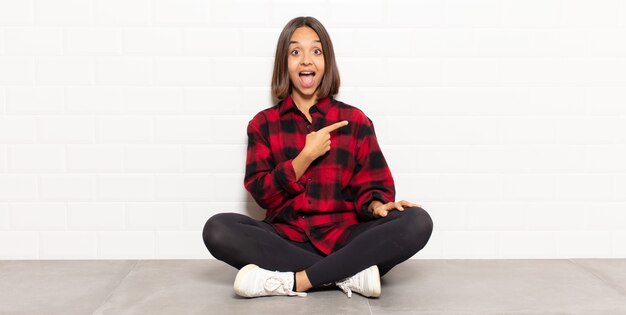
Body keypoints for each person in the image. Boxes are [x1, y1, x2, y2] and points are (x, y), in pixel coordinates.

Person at [202, 16, 433, 298]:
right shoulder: (262, 124)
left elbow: (371, 187)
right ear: (284, 63)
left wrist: (378, 207)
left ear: (327, 62)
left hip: (347, 239)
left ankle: (297, 281)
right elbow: (261, 193)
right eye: (296, 52)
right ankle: (347, 275)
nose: (306, 61)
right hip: (285, 239)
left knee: (417, 221)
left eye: (316, 51)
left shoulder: (354, 121)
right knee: (217, 229)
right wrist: (303, 158)